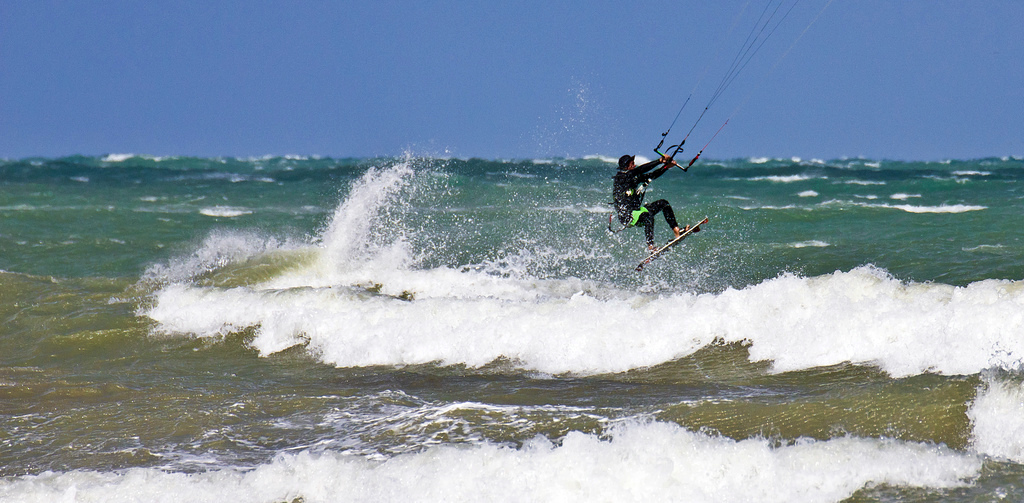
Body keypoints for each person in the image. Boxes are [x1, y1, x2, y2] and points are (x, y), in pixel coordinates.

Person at [612, 153, 697, 252]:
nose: (634, 165)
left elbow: (651, 175)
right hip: (626, 215)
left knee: (663, 204)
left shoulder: (633, 177)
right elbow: (640, 170)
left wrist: (666, 167)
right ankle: (651, 247)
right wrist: (659, 161)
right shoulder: (621, 178)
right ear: (626, 166)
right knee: (648, 216)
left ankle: (676, 230)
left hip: (637, 211)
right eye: (632, 164)